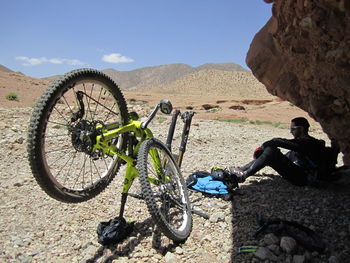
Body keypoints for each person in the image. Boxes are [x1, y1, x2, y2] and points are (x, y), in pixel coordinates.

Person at [228, 117, 340, 186]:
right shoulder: (303, 143)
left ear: (301, 129)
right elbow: (284, 154)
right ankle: (242, 169)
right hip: (300, 175)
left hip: (304, 179)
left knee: (271, 150)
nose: (291, 132)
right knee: (271, 151)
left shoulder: (308, 143)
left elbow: (282, 142)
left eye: (292, 129)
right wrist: (266, 150)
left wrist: (265, 145)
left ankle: (242, 175)